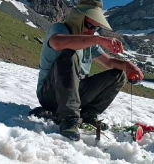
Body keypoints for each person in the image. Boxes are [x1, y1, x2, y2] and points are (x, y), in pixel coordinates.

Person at [29, 0, 144, 141]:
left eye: (95, 28)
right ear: (78, 19)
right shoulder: (60, 29)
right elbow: (58, 43)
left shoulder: (90, 42)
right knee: (69, 53)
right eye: (89, 25)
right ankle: (69, 119)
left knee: (118, 75)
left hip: (75, 94)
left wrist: (128, 66)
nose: (91, 31)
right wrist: (98, 40)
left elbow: (109, 62)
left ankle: (88, 115)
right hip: (49, 93)